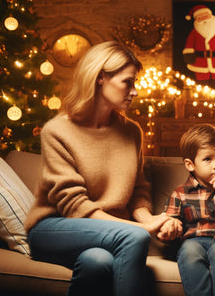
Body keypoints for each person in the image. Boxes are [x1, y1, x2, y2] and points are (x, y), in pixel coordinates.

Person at [24, 41, 170, 296]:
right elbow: (75, 206)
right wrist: (139, 229)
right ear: (101, 77)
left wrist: (152, 220)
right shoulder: (57, 131)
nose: (135, 91)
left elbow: (138, 192)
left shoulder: (131, 131)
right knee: (135, 238)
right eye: (128, 82)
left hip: (108, 233)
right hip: (55, 227)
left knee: (98, 262)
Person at [158, 124, 215, 296]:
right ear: (190, 164)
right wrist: (170, 227)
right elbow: (169, 223)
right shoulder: (180, 193)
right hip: (192, 241)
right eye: (208, 159)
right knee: (189, 253)